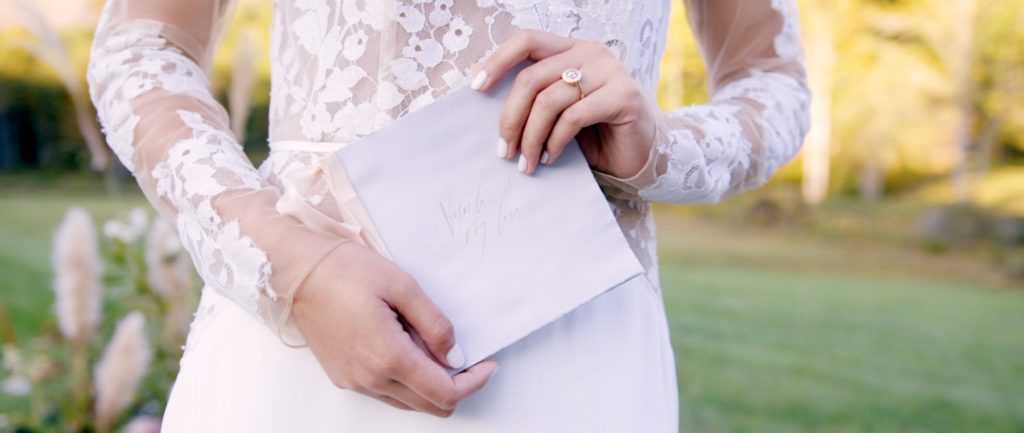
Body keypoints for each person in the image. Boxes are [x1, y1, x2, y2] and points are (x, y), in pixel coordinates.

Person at [86, 0, 810, 431]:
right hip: (299, 336)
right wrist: (284, 261)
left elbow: (772, 86)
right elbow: (141, 50)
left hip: (576, 350)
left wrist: (656, 146)